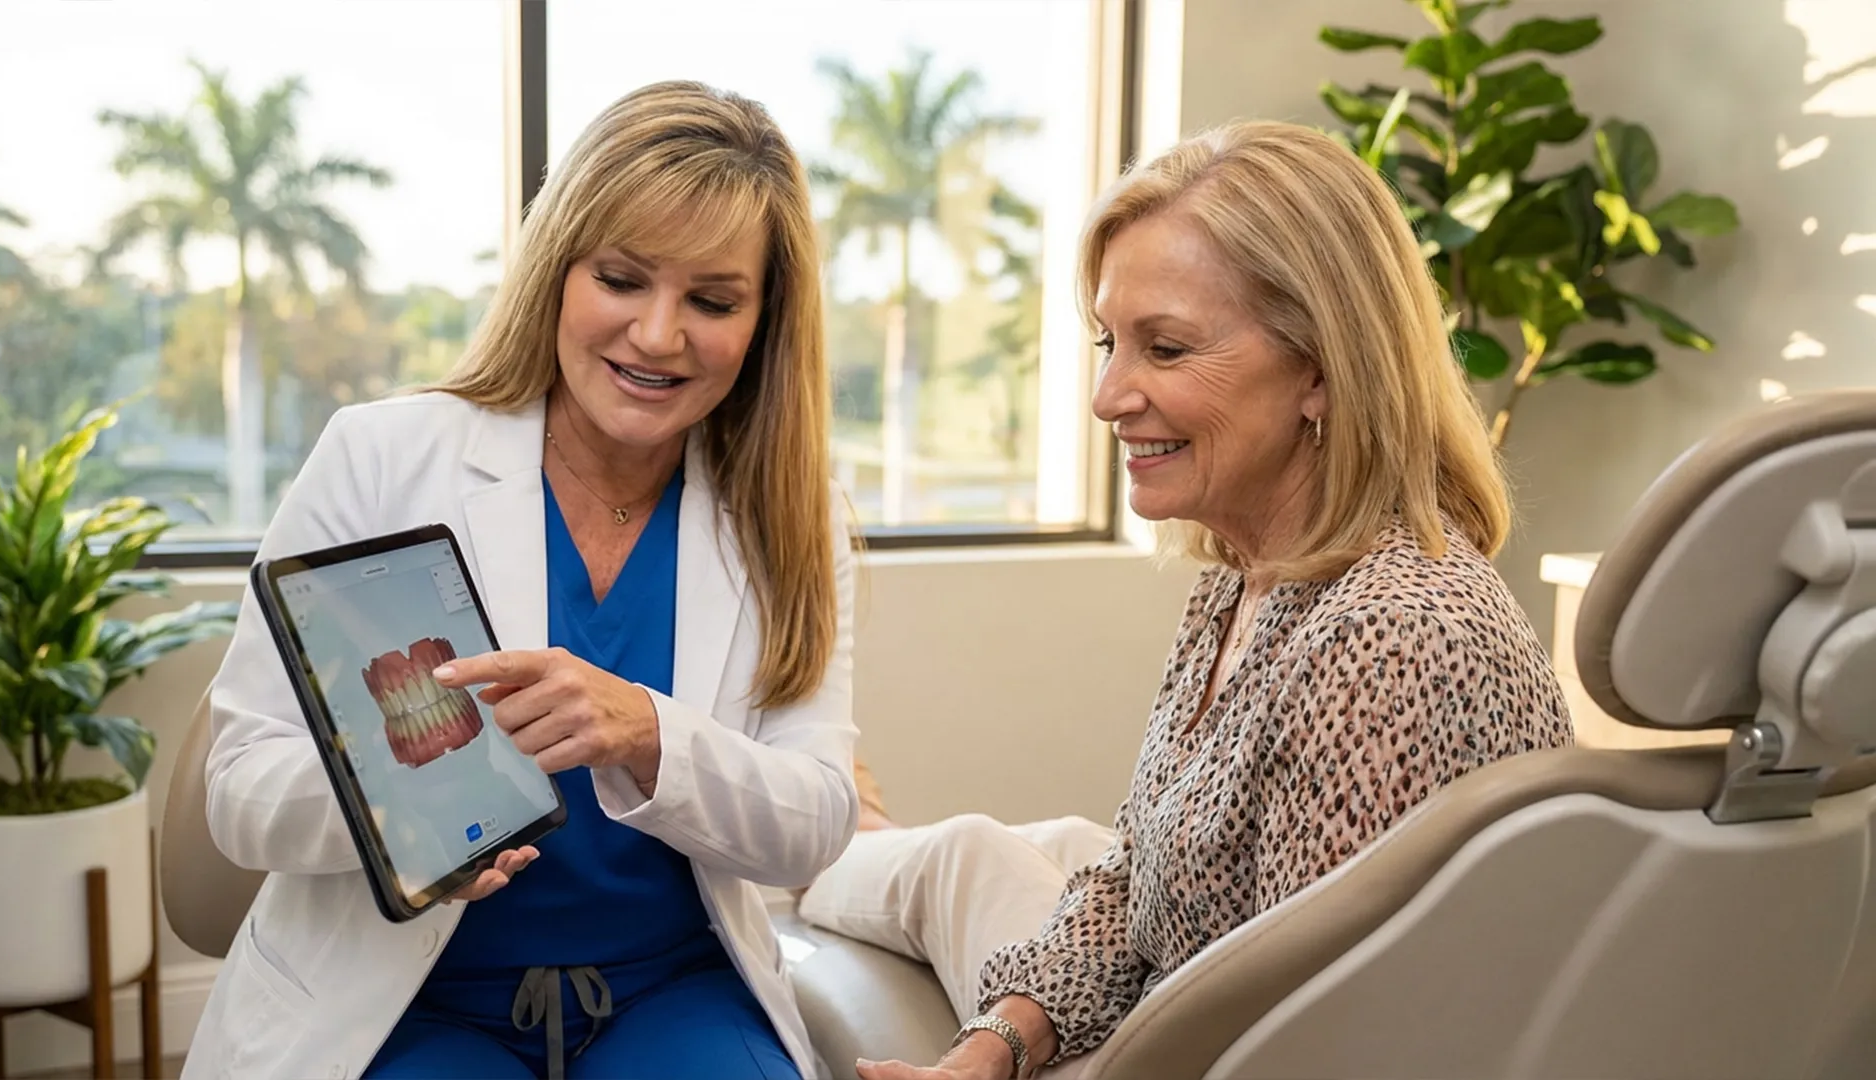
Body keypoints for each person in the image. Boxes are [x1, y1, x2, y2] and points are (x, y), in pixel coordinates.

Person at [796, 119, 1575, 1080]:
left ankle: (820, 838)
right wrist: (993, 1048)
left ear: (1323, 370)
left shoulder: (1392, 639)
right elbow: (1134, 880)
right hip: (1182, 994)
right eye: (1109, 343)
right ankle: (836, 832)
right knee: (1017, 848)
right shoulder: (1249, 579)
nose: (1108, 395)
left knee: (957, 858)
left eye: (1164, 350)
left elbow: (1310, 1044)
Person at [182, 80, 860, 1080]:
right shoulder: (381, 460)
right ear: (558, 272)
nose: (660, 334)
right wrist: (409, 817)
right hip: (407, 1003)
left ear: (764, 322)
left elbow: (815, 823)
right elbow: (240, 794)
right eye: (622, 279)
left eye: (712, 300)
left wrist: (645, 731)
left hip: (674, 991)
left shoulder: (792, 518)